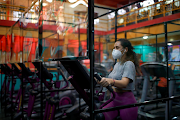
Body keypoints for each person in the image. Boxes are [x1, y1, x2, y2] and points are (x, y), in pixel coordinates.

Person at [97, 39, 140, 120]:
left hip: (126, 101)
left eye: (117, 47)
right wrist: (100, 80)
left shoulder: (129, 64)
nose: (114, 50)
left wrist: (111, 81)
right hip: (114, 98)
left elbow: (124, 83)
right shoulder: (117, 64)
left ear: (125, 49)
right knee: (100, 116)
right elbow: (109, 79)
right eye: (114, 48)